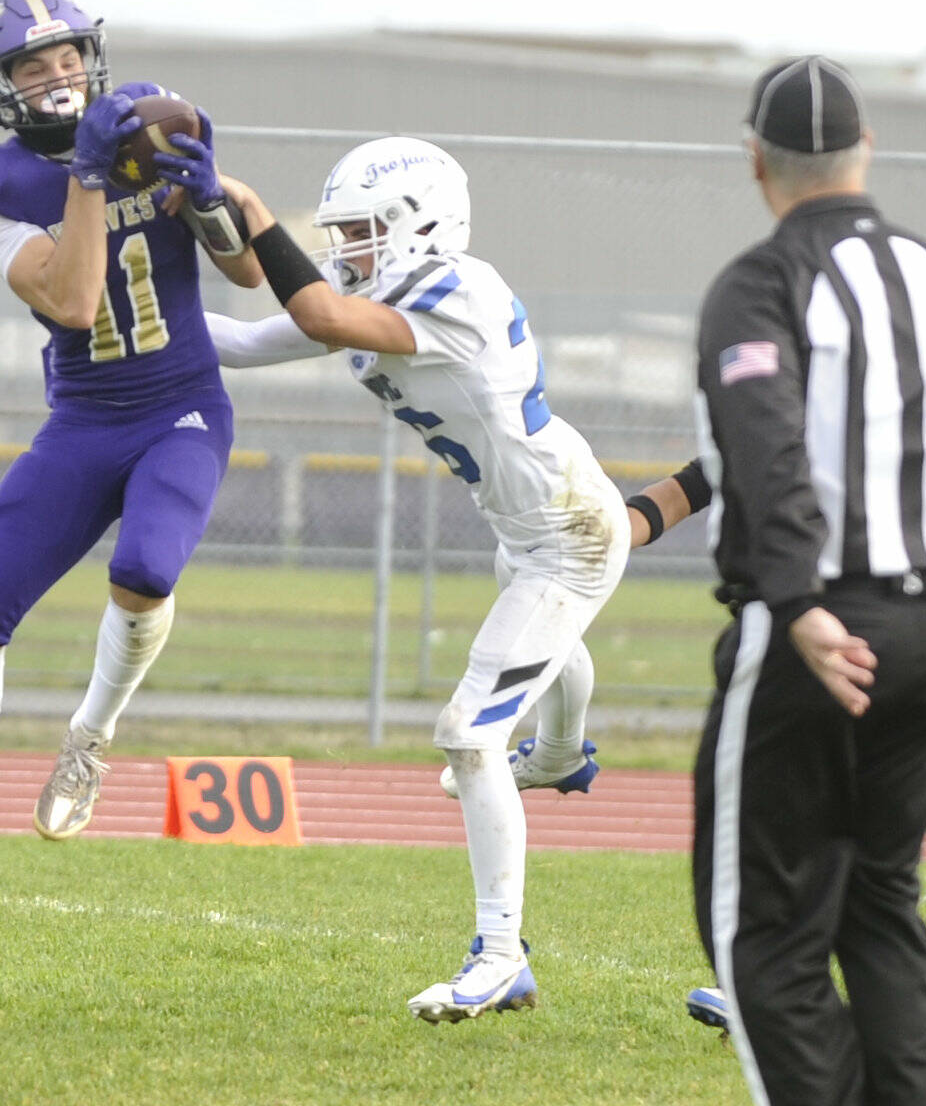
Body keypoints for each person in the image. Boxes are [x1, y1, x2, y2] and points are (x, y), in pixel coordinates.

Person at [0, 0, 261, 919]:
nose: (58, 76)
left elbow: (241, 266)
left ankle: (90, 735)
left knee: (147, 566)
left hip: (182, 406)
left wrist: (207, 199)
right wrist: (88, 176)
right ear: (1, 86)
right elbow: (73, 303)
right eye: (34, 67)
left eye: (69, 56)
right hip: (84, 418)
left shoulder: (152, 120)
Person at [203, 136, 629, 1023]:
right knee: (544, 654)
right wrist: (126, 314)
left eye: (358, 232)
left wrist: (249, 211)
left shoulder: (455, 285)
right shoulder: (386, 290)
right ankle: (558, 753)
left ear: (418, 225)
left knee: (468, 736)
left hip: (568, 533)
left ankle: (501, 954)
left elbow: (318, 317)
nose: (342, 251)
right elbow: (241, 342)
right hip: (526, 525)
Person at [691, 55, 926, 1104]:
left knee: (760, 930)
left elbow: (762, 444)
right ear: (866, 150)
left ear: (754, 162)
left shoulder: (761, 282)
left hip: (818, 627)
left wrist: (796, 604)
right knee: (880, 902)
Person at [622, 456, 926, 1035]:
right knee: (810, 797)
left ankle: (770, 986)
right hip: (817, 634)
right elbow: (687, 489)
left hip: (904, 624)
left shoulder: (862, 402)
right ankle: (763, 984)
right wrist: (603, 529)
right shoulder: (769, 404)